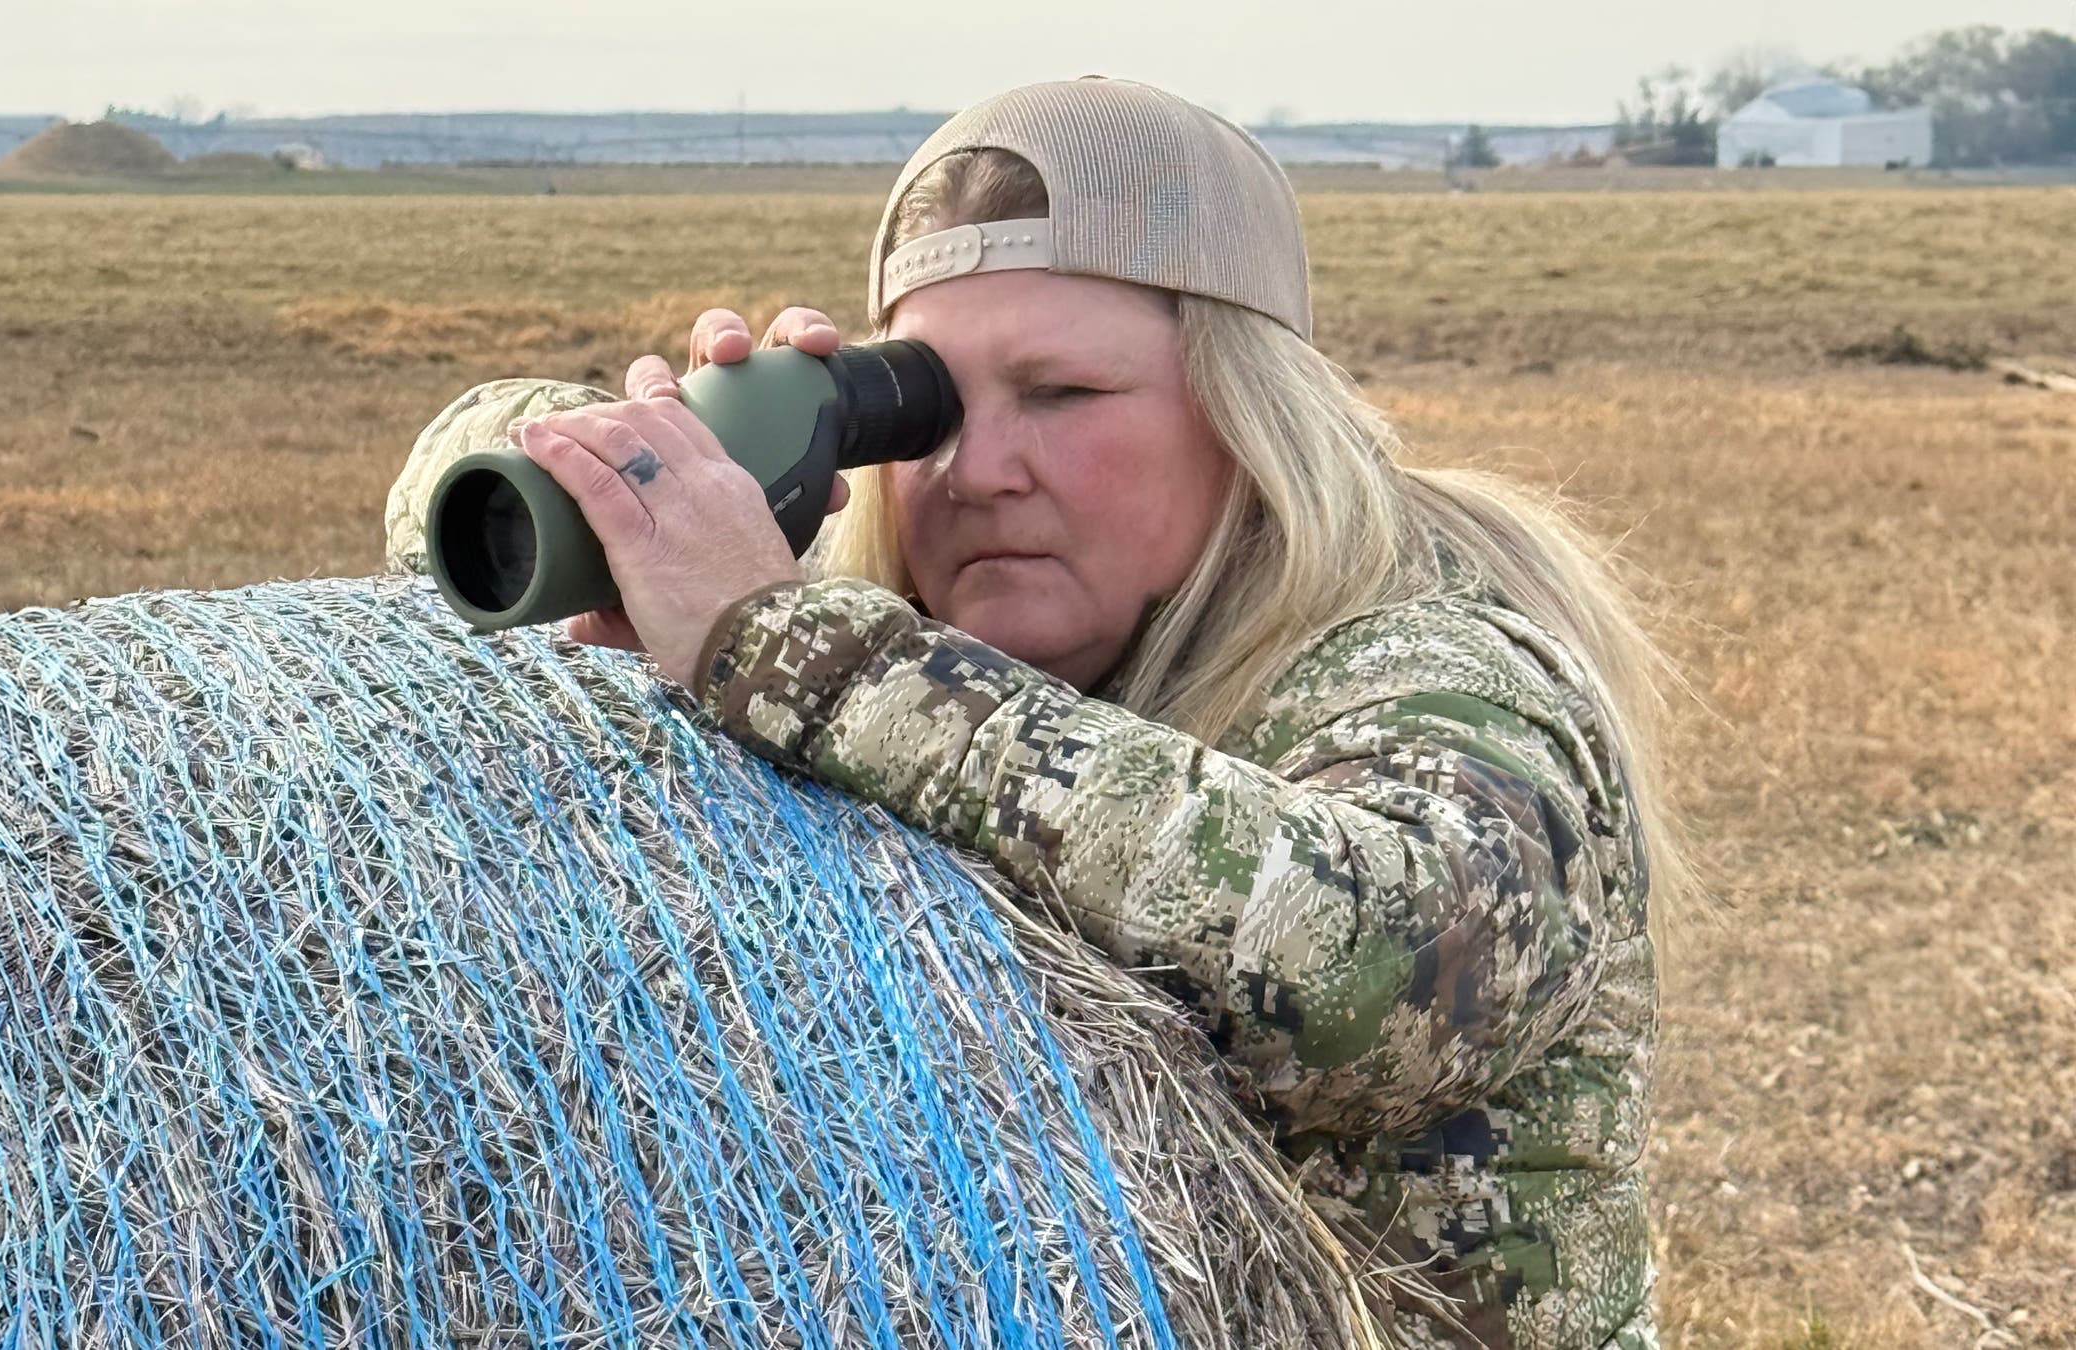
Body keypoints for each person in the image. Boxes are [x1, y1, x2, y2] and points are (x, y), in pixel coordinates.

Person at [402, 76, 1684, 1349]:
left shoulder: (1434, 663)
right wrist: (658, 467)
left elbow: (1381, 979)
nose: (978, 470)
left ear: (1253, 417)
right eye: (925, 410)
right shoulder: (955, 655)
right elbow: (430, 498)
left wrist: (790, 647)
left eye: (1062, 395)